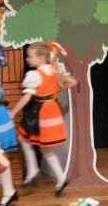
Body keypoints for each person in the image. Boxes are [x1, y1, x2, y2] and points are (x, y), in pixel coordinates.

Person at [9, 41, 77, 195]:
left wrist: (13, 112)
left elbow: (27, 97)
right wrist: (57, 89)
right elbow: (72, 82)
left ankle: (34, 170)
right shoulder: (53, 71)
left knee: (24, 138)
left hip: (41, 112)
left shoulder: (35, 75)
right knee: (44, 148)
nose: (27, 59)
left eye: (30, 56)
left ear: (41, 58)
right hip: (53, 110)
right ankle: (60, 178)